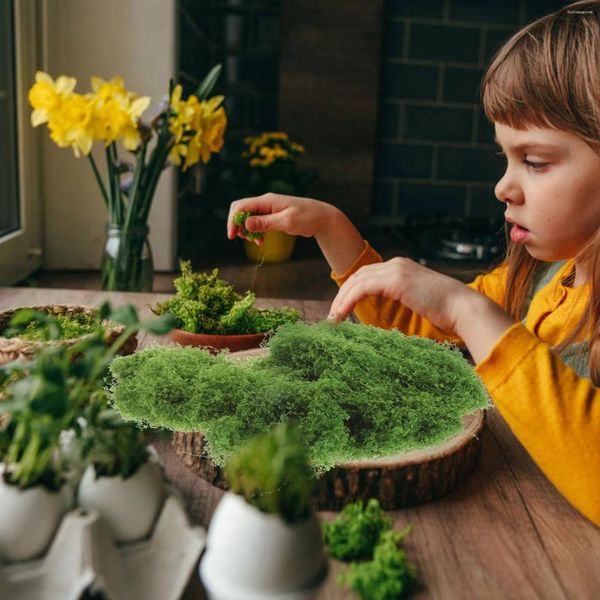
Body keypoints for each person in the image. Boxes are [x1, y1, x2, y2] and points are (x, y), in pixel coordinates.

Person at [226, 0, 600, 527]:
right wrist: (332, 228)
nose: (503, 187)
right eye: (506, 158)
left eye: (535, 162)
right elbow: (419, 326)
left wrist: (470, 311)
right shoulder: (546, 277)